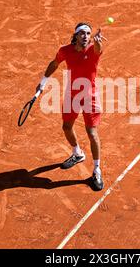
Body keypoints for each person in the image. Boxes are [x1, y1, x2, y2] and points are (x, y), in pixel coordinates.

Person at [36, 22, 106, 191]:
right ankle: (77, 153)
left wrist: (97, 41)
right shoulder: (65, 50)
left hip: (90, 97)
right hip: (72, 95)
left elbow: (98, 48)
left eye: (89, 34)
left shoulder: (93, 49)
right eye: (83, 33)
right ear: (76, 36)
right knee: (67, 127)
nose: (86, 36)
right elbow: (54, 63)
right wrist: (43, 83)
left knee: (92, 132)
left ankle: (96, 170)